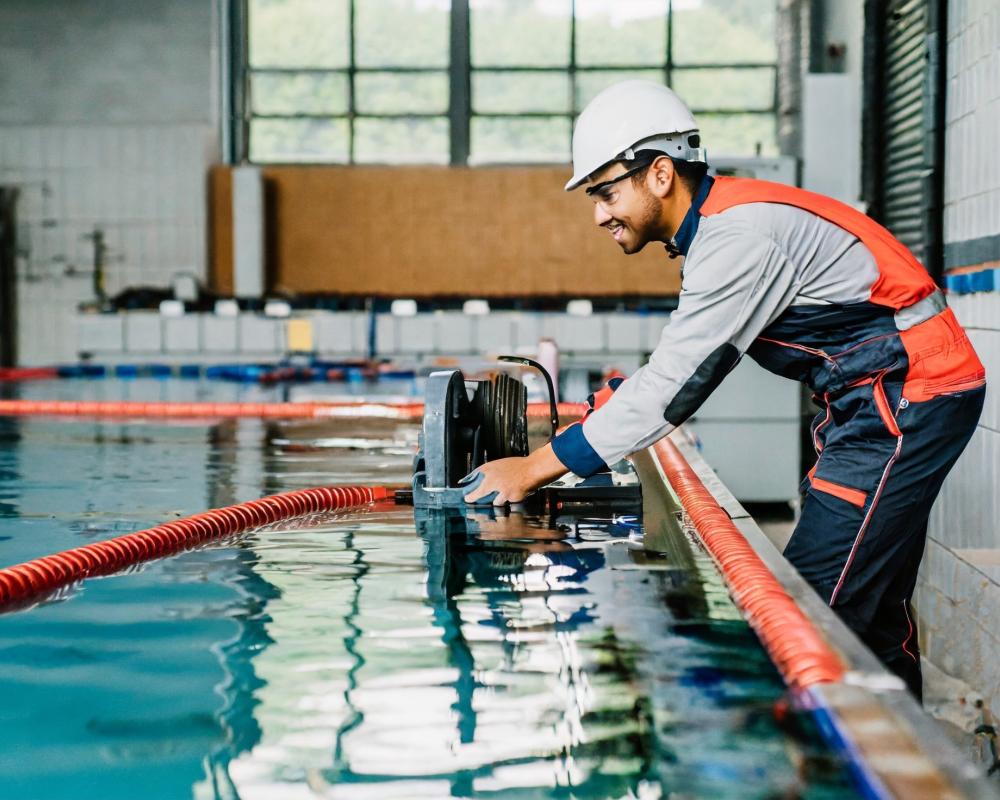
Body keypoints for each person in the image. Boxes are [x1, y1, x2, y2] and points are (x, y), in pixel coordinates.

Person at [463, 79, 986, 697]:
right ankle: (902, 774)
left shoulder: (738, 236)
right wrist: (609, 415)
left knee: (809, 619)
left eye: (605, 191)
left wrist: (532, 469)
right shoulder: (721, 226)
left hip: (907, 398)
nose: (599, 213)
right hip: (878, 398)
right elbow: (683, 360)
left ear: (660, 174)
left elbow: (674, 387)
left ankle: (817, 774)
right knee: (867, 606)